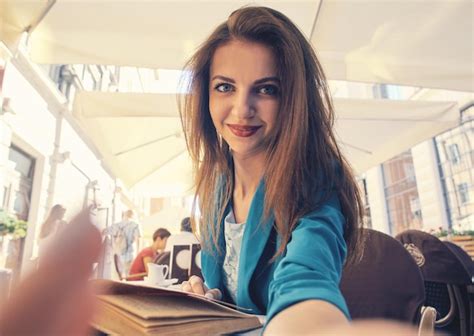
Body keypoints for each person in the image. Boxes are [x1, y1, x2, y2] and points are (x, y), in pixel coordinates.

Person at [178, 6, 364, 334]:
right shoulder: (217, 184)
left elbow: (307, 282)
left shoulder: (316, 179)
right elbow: (230, 301)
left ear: (294, 99)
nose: (242, 109)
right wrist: (204, 303)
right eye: (225, 86)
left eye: (266, 89)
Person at [103, 209, 141, 275]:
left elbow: (104, 232)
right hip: (129, 256)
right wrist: (137, 254)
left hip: (117, 256)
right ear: (132, 216)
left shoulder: (116, 225)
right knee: (128, 277)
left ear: (124, 215)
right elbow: (137, 240)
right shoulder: (135, 225)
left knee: (117, 277)